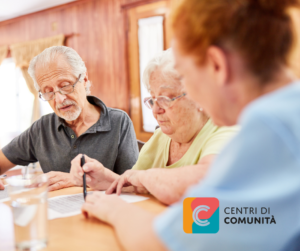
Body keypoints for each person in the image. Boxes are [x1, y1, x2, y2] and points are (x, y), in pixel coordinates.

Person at [81, 0, 300, 250]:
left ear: (217, 65)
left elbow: (159, 243)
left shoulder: (270, 128)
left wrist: (115, 211)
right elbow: (230, 218)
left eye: (185, 75)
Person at [72, 49, 237, 204]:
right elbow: (137, 186)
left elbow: (208, 180)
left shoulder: (225, 130)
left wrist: (145, 177)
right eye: (153, 99)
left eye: (165, 98)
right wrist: (103, 178)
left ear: (199, 95)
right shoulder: (161, 137)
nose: (156, 110)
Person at [0, 46, 139, 191]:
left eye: (65, 86)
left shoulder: (119, 121)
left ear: (84, 79)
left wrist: (78, 180)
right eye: (48, 92)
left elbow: (132, 186)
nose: (59, 99)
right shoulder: (42, 128)